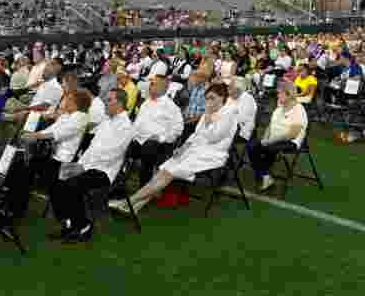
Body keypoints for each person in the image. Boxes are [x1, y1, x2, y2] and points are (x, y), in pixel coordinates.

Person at [112, 83, 237, 214]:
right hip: (195, 150)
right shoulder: (209, 112)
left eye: (212, 98)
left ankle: (129, 202)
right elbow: (196, 135)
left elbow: (213, 138)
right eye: (207, 98)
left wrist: (207, 117)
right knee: (163, 170)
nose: (209, 102)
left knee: (168, 173)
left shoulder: (228, 113)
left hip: (212, 154)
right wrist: (182, 148)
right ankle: (136, 205)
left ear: (222, 98)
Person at [49, 88, 133, 244]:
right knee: (55, 179)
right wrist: (79, 164)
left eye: (109, 100)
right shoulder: (107, 121)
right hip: (88, 165)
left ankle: (84, 226)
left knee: (72, 184)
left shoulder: (126, 126)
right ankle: (68, 222)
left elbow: (111, 154)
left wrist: (83, 167)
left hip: (104, 171)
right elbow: (92, 148)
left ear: (119, 103)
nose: (106, 104)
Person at [20, 89, 91, 190]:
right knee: (20, 163)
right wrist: (32, 135)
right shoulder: (66, 115)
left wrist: (34, 136)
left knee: (22, 169)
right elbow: (48, 131)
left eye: (70, 99)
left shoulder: (81, 117)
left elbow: (57, 134)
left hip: (60, 160)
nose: (66, 101)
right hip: (49, 153)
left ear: (78, 103)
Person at [247, 80, 308, 192]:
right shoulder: (279, 108)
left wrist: (270, 141)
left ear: (289, 94)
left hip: (290, 142)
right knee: (251, 146)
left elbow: (292, 134)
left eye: (280, 93)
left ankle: (263, 174)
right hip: (274, 140)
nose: (277, 95)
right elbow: (270, 127)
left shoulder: (299, 109)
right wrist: (265, 139)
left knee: (267, 148)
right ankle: (265, 175)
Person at [127, 75, 184, 186]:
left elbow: (178, 129)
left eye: (153, 84)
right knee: (121, 144)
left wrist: (160, 138)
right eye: (151, 83)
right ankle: (116, 184)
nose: (150, 86)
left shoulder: (171, 107)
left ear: (163, 87)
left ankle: (143, 188)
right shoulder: (146, 103)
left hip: (158, 145)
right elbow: (137, 124)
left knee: (149, 148)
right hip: (139, 140)